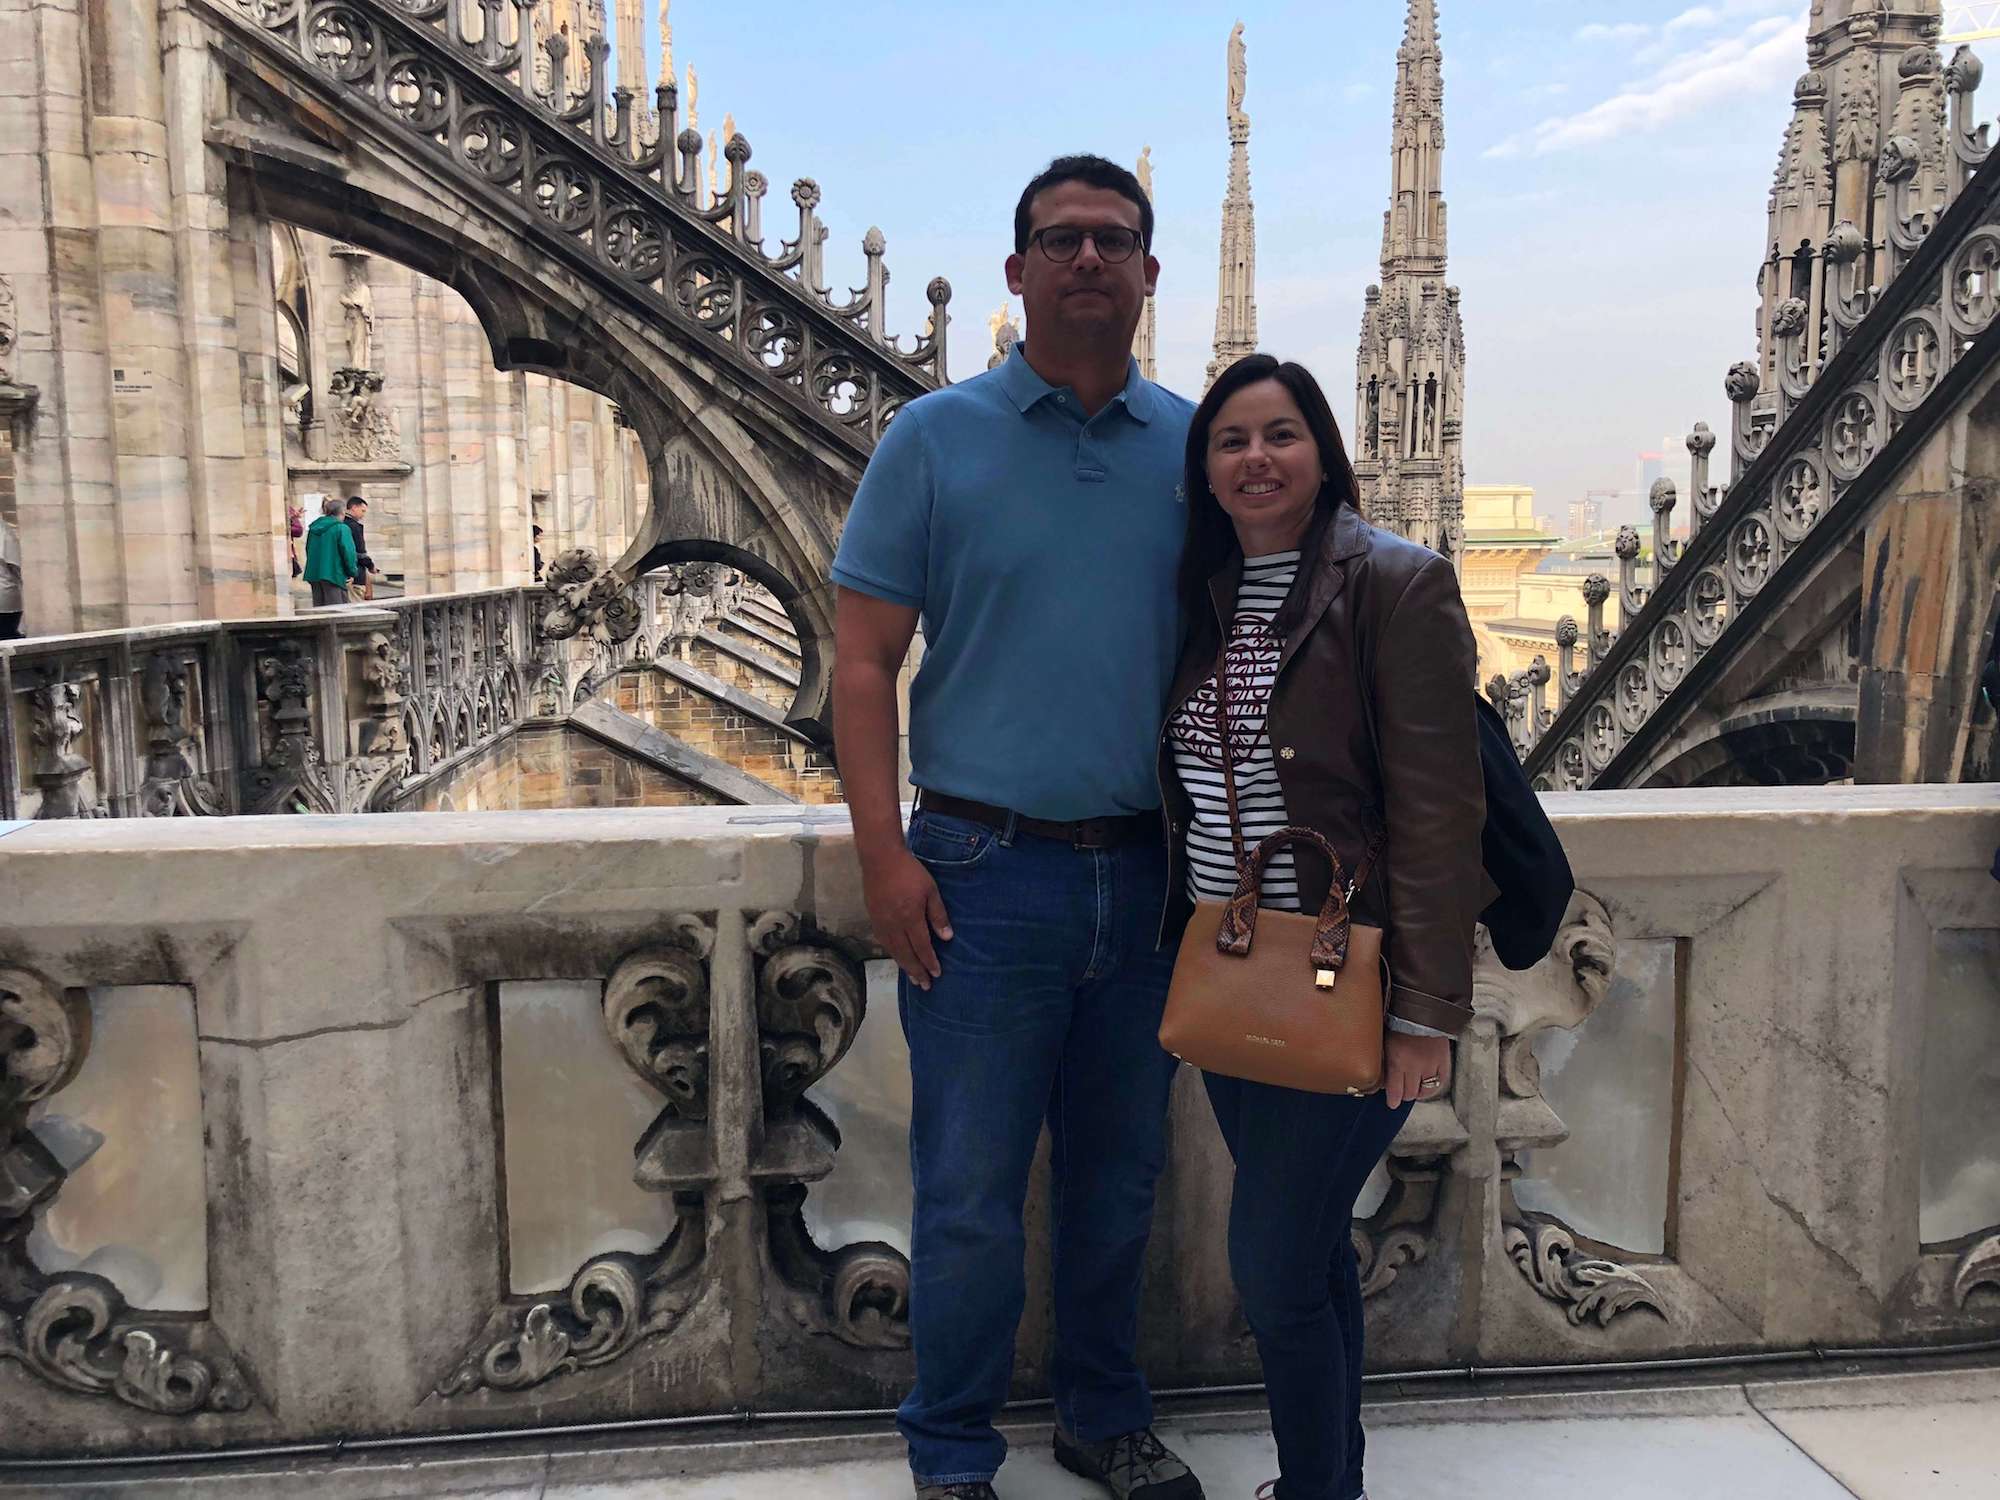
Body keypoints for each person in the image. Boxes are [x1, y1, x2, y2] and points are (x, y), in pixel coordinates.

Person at [832, 154, 1202, 1500]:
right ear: (1017, 270)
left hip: (1153, 877)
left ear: (1149, 272)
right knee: (969, 1191)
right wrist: (883, 855)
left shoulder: (1197, 448)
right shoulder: (933, 439)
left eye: (1112, 239)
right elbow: (861, 663)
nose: (1087, 258)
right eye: (1060, 239)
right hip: (980, 872)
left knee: (1120, 1182)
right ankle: (950, 1452)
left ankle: (1102, 1417)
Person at [1160, 355, 1483, 1500]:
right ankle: (1329, 1481)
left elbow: (1439, 816)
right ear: (1203, 469)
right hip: (1235, 973)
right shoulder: (1204, 593)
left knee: (1270, 1268)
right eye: (1229, 440)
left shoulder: (1393, 581)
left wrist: (1424, 1014)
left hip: (1343, 976)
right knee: (1304, 1252)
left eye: (1279, 434)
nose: (1255, 458)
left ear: (1322, 451)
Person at [303, 494, 358, 607]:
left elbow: (308, 549)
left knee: (319, 610)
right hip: (334, 574)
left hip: (315, 574)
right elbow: (348, 552)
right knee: (337, 611)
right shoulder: (341, 528)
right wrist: (352, 572)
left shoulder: (314, 528)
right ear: (342, 512)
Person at [343, 496, 375, 600]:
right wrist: (371, 566)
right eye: (362, 511)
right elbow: (360, 553)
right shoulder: (353, 526)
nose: (363, 515)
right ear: (354, 507)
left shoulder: (341, 524)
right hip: (355, 574)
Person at [0, 515, 23, 640]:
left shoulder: (4, 532)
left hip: (5, 602)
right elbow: (17, 567)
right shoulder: (5, 532)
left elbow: (16, 566)